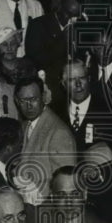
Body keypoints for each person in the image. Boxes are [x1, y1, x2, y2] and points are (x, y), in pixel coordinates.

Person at [14, 75, 77, 203]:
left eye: (33, 99)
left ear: (43, 97)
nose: (29, 106)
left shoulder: (59, 133)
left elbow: (65, 185)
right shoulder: (26, 124)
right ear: (16, 101)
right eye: (23, 101)